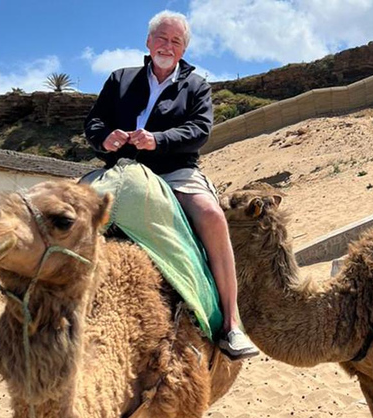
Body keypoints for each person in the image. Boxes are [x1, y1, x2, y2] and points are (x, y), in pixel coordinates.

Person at [84, 10, 259, 359]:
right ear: (148, 42)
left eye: (175, 41)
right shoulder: (120, 78)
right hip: (120, 168)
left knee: (211, 215)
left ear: (183, 49)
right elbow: (94, 121)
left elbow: (200, 131)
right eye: (161, 38)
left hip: (174, 170)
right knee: (64, 211)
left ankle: (231, 322)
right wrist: (105, 139)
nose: (167, 45)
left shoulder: (197, 86)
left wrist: (158, 140)